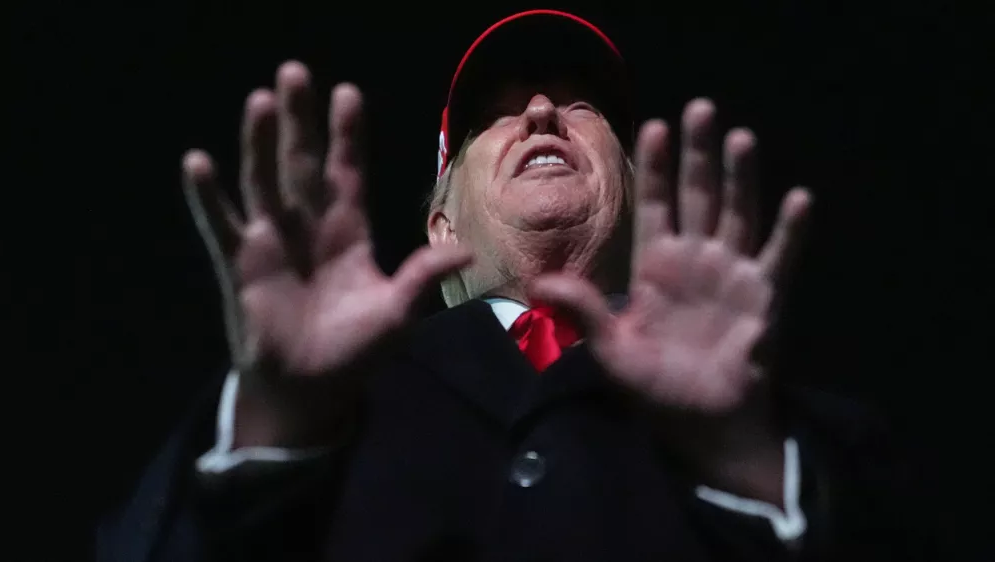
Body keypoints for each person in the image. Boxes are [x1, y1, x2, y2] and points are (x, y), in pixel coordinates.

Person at [97, 10, 932, 562]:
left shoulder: (777, 423)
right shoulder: (311, 399)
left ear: (641, 199)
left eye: (578, 106)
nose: (539, 111)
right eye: (494, 116)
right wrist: (278, 428)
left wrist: (743, 465)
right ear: (441, 225)